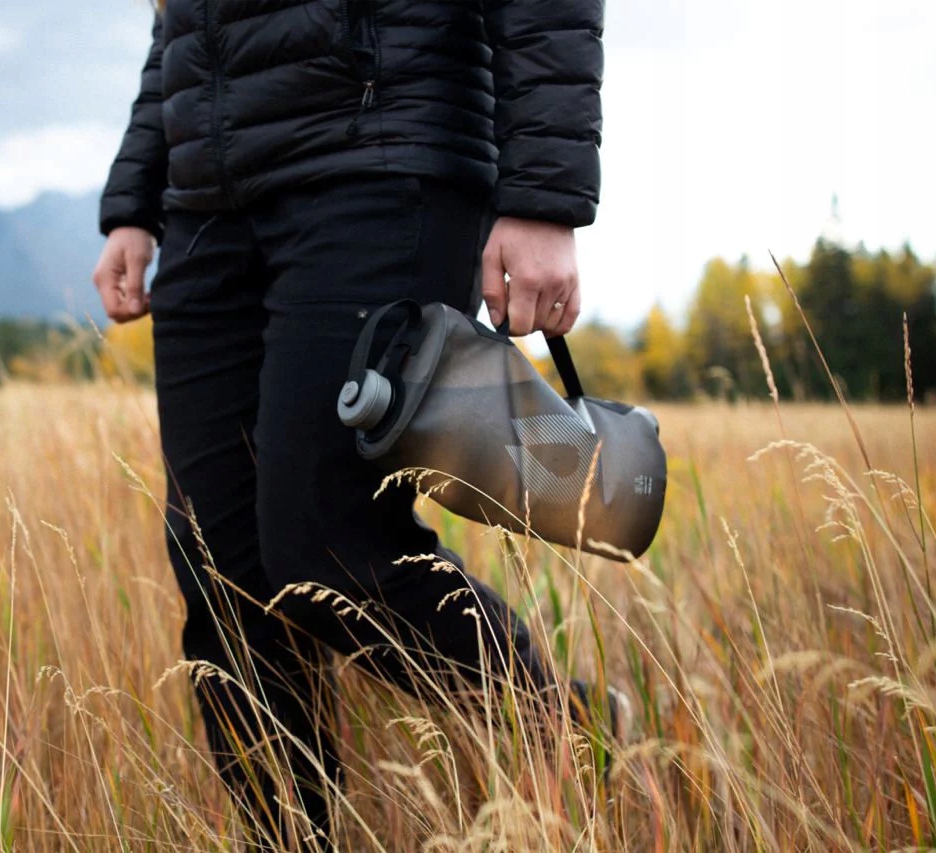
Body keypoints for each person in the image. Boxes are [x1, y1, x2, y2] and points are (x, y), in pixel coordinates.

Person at [93, 0, 612, 847]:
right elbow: (175, 22)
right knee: (221, 569)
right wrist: (134, 199)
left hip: (379, 159)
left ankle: (570, 729)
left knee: (326, 542)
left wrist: (545, 197)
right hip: (206, 204)